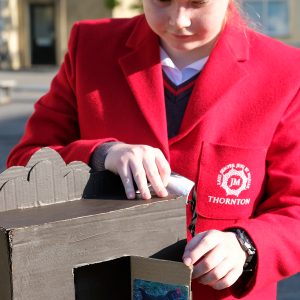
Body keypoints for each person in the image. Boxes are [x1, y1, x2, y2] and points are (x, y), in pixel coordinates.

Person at [7, 0, 300, 299]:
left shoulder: (284, 71)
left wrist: (246, 245)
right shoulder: (91, 47)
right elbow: (27, 161)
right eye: (162, 1)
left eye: (197, 3)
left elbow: (294, 206)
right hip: (103, 284)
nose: (178, 20)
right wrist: (102, 154)